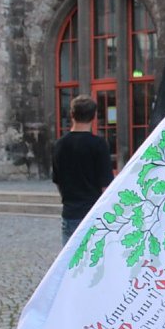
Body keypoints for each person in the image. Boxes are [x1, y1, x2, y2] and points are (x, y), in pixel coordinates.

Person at [52, 95, 113, 245]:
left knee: (70, 257)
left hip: (70, 213)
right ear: (94, 117)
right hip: (92, 213)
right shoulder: (99, 145)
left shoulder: (60, 144)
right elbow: (105, 186)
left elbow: (57, 180)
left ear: (72, 114)